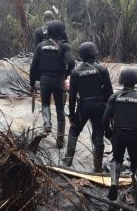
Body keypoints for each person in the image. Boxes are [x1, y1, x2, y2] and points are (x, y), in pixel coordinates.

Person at [103, 68, 137, 209]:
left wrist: (108, 132)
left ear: (121, 81)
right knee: (136, 165)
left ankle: (114, 184)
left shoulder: (114, 97)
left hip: (118, 134)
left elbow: (105, 118)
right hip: (135, 136)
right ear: (136, 81)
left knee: (117, 159)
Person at [62, 42, 113, 172]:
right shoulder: (102, 69)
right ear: (94, 53)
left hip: (83, 106)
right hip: (99, 107)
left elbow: (72, 96)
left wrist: (72, 115)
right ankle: (97, 167)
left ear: (82, 55)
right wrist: (110, 112)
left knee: (74, 131)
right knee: (98, 135)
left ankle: (68, 160)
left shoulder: (75, 72)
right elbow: (109, 93)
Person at [30, 20, 75, 149]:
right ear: (62, 32)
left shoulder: (40, 46)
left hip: (44, 80)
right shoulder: (64, 46)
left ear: (48, 31)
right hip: (58, 81)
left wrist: (32, 83)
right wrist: (65, 74)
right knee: (60, 109)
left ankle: (47, 125)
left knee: (45, 104)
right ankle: (60, 141)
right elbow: (71, 63)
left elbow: (33, 66)